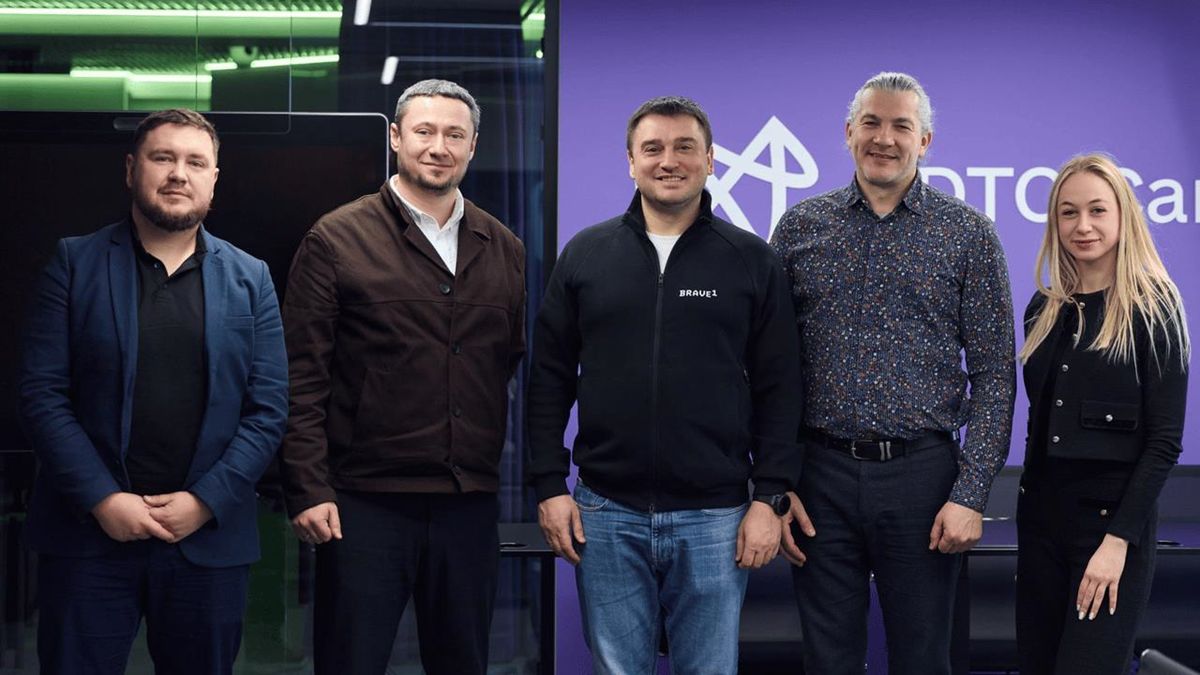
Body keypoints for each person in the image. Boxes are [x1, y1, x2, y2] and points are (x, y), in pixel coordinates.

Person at [527, 95, 804, 674]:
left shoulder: (750, 260)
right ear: (631, 161)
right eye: (652, 148)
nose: (668, 161)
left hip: (716, 516)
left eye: (684, 147)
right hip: (605, 511)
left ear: (710, 160)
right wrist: (550, 485)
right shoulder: (586, 254)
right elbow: (549, 377)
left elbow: (781, 388)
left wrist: (769, 497)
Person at [17, 108, 289, 675]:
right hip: (88, 538)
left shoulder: (252, 278)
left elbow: (267, 410)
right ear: (131, 169)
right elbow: (43, 394)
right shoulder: (74, 263)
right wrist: (103, 500)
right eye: (162, 158)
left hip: (207, 541)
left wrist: (205, 502)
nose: (178, 173)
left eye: (195, 162)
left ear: (214, 178)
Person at [769, 71, 1016, 675]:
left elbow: (994, 376)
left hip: (923, 480)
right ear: (848, 132)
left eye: (901, 126)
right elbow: (768, 369)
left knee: (924, 660)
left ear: (924, 141)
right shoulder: (799, 228)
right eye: (871, 123)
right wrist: (773, 485)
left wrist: (970, 495)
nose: (884, 138)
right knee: (828, 661)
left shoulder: (968, 234)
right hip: (818, 479)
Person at [278, 79, 526, 675]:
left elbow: (506, 363)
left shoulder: (504, 247)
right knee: (351, 662)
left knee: (462, 664)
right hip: (363, 504)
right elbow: (299, 377)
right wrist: (308, 487)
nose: (439, 147)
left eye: (454, 135)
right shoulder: (336, 238)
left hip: (467, 504)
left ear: (472, 146)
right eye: (424, 131)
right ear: (395, 137)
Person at [1015, 153, 1189, 674]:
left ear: (1122, 215)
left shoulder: (1154, 307)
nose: (1082, 226)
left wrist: (1117, 544)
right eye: (1068, 212)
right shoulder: (1042, 308)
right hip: (1040, 528)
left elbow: (1164, 441)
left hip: (1111, 534)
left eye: (1097, 210)